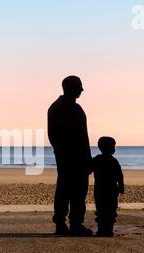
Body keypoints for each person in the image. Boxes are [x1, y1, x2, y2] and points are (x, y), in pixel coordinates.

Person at [47, 76, 93, 236]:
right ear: (70, 87)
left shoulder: (57, 107)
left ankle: (65, 223)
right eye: (79, 86)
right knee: (76, 192)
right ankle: (74, 224)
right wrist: (86, 159)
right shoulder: (70, 109)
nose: (82, 89)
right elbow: (82, 138)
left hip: (66, 158)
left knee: (65, 191)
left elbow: (53, 137)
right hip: (74, 159)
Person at [92, 137, 124, 237]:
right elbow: (120, 176)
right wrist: (121, 187)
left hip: (99, 189)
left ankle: (102, 229)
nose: (115, 149)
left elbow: (88, 169)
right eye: (114, 146)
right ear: (110, 148)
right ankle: (108, 230)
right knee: (110, 210)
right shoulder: (113, 161)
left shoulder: (97, 159)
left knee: (101, 209)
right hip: (111, 190)